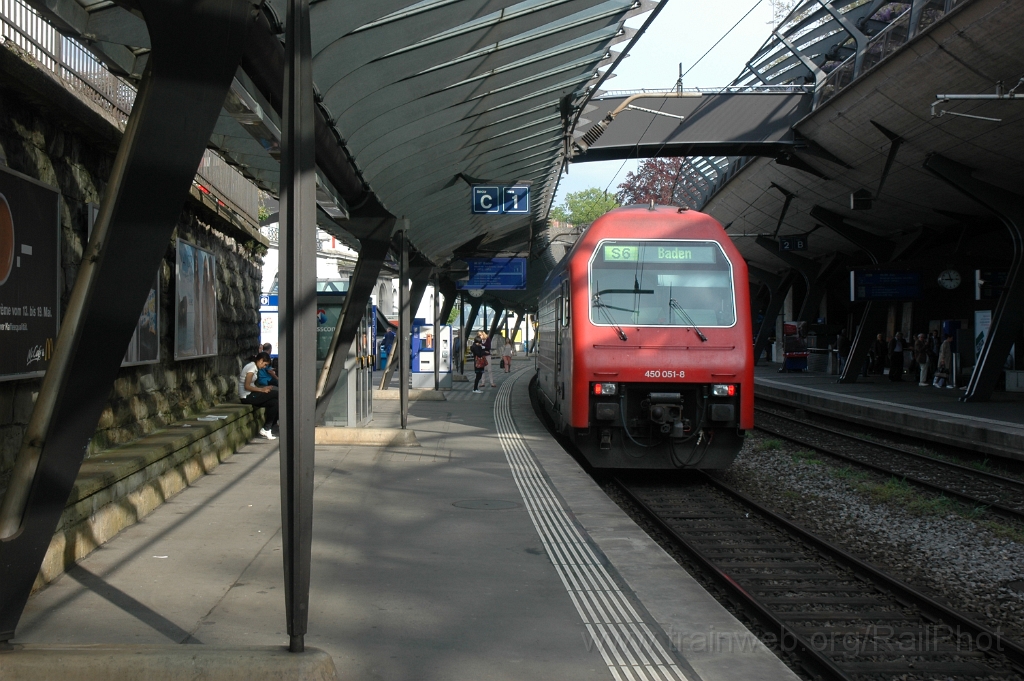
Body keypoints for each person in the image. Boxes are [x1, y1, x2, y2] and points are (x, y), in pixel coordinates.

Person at [239, 352, 278, 439]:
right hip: (247, 397)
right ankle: (270, 426)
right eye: (265, 364)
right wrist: (262, 390)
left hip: (252, 394)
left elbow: (252, 385)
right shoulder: (251, 368)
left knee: (274, 403)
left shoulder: (254, 367)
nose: (264, 367)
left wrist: (265, 388)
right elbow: (247, 386)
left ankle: (267, 428)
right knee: (277, 394)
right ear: (260, 361)